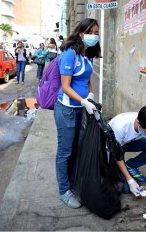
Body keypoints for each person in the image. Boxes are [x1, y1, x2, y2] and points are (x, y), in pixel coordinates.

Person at [54, 18, 101, 209]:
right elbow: (65, 86)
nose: (94, 36)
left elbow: (87, 79)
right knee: (65, 151)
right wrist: (82, 100)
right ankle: (64, 190)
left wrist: (89, 95)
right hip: (66, 110)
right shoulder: (69, 54)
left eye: (97, 33)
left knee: (76, 148)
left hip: (80, 109)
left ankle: (72, 182)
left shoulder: (87, 54)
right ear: (81, 33)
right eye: (91, 32)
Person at [109, 105, 146, 211]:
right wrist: (130, 180)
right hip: (111, 147)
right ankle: (124, 172)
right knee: (126, 189)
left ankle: (130, 165)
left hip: (128, 143)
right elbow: (117, 154)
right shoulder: (120, 126)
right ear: (138, 122)